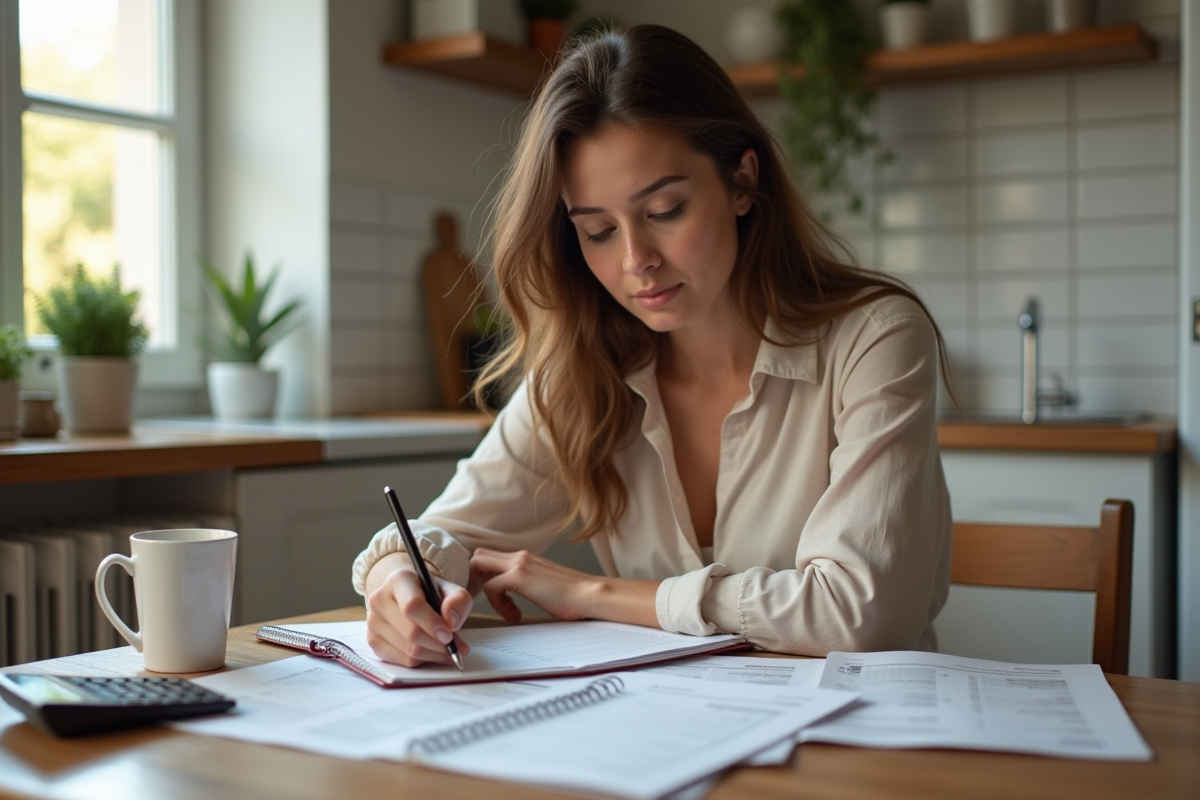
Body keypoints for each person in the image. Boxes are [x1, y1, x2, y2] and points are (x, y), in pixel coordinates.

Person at [352, 24, 953, 668]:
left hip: (860, 742)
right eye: (599, 231)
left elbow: (860, 614)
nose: (636, 261)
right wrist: (398, 581)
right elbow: (448, 534)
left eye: (665, 210)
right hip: (665, 740)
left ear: (743, 181)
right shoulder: (583, 372)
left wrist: (593, 592)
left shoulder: (875, 337)